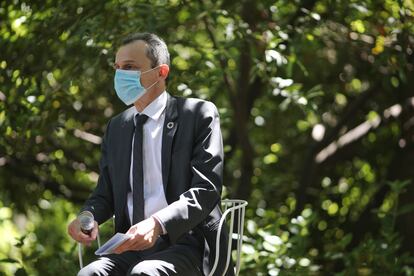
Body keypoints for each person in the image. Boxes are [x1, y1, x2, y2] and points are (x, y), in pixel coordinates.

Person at [67, 32, 233, 276]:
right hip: (129, 246)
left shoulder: (197, 115)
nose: (121, 75)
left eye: (131, 67)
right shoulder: (117, 127)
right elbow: (105, 194)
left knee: (145, 273)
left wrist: (157, 224)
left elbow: (206, 190)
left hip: (188, 244)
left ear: (161, 72)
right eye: (118, 68)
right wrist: (87, 217)